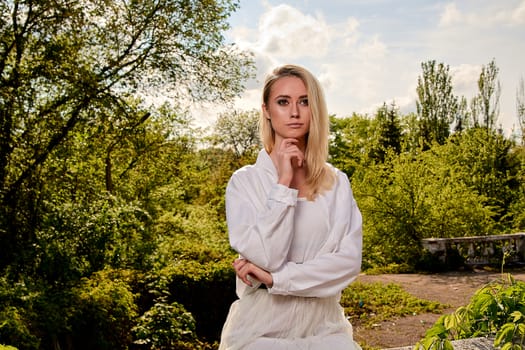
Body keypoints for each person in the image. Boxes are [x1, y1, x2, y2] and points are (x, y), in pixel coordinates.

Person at [219, 64, 363, 350]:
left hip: (327, 330)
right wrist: (283, 184)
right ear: (267, 111)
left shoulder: (337, 182)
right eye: (283, 102)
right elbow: (268, 255)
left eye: (304, 101)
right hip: (260, 334)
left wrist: (276, 278)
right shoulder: (244, 183)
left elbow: (347, 263)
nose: (295, 112)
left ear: (315, 109)